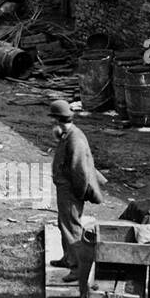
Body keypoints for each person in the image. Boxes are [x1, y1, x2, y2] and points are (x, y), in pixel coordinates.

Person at [49, 99, 107, 283]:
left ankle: (77, 269)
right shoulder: (67, 135)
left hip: (71, 192)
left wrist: (78, 194)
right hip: (65, 190)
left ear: (57, 120)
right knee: (63, 223)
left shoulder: (75, 139)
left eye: (54, 120)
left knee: (71, 228)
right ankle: (68, 259)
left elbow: (80, 172)